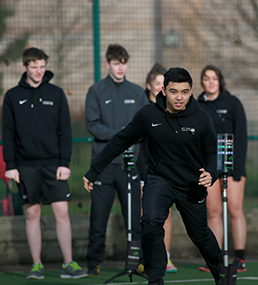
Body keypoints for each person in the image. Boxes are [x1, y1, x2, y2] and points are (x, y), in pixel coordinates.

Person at [83, 67, 223, 285]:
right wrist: (94, 170)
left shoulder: (202, 119)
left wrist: (211, 173)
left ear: (191, 91)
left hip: (191, 184)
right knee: (150, 222)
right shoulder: (148, 115)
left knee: (200, 235)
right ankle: (155, 279)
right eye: (174, 91)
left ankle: (221, 274)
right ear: (164, 90)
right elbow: (120, 140)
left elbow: (212, 152)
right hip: (160, 180)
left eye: (185, 92)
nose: (179, 97)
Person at [2, 47, 87, 279]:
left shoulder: (57, 94)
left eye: (42, 67)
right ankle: (37, 265)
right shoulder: (11, 96)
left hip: (54, 165)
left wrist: (64, 162)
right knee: (32, 214)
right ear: (25, 67)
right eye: (34, 67)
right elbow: (7, 134)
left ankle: (69, 263)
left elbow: (65, 131)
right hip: (25, 166)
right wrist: (11, 165)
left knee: (62, 212)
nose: (39, 71)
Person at [85, 43, 149, 276]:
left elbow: (146, 125)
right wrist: (120, 134)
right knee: (98, 218)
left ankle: (136, 261)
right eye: (116, 63)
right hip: (103, 167)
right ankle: (94, 262)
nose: (120, 68)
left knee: (134, 219)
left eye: (123, 63)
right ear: (107, 64)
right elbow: (92, 125)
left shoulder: (136, 92)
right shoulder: (96, 91)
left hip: (129, 167)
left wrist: (130, 135)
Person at [197, 65, 247, 272]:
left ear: (220, 81)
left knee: (234, 209)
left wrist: (237, 169)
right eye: (207, 78)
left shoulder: (233, 103)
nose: (210, 82)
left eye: (214, 78)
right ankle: (216, 259)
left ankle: (240, 258)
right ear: (202, 82)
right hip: (209, 168)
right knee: (214, 212)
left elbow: (241, 137)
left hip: (232, 168)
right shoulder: (197, 105)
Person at [144, 63, 177, 274]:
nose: (160, 88)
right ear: (149, 86)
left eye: (163, 84)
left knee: (166, 215)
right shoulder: (143, 110)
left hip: (166, 171)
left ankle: (166, 257)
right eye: (157, 84)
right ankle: (149, 258)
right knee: (147, 215)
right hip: (143, 168)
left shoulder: (172, 111)